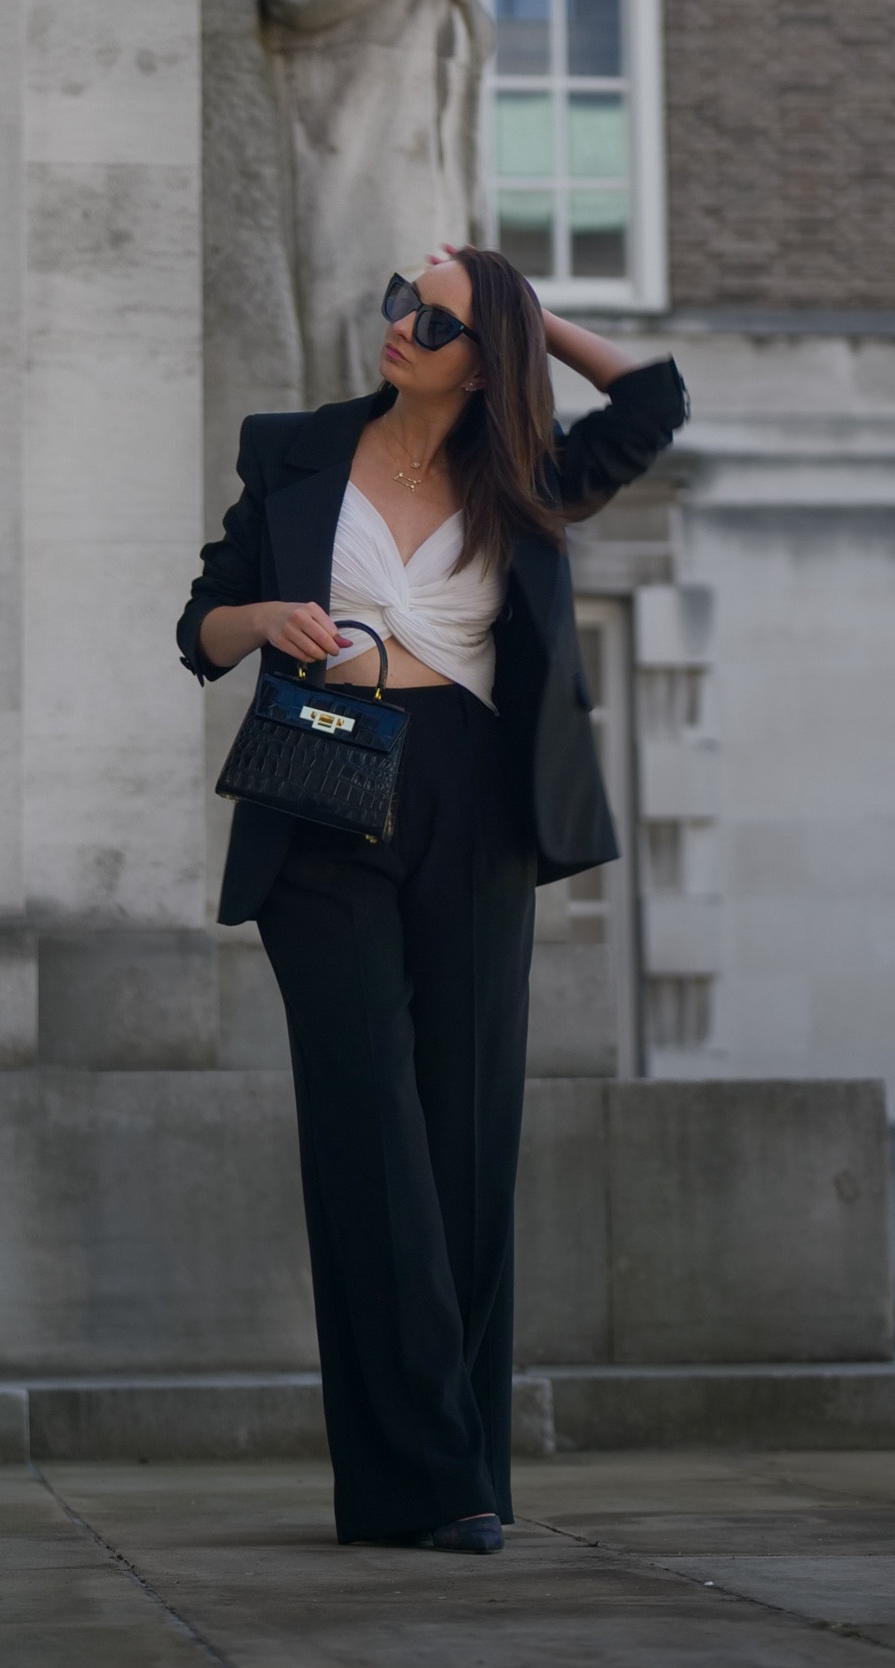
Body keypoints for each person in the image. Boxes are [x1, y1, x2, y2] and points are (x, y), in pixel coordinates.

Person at [176, 246, 688, 1552]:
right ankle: (439, 1473)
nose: (401, 323)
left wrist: (529, 317)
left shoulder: (528, 470)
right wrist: (267, 618)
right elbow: (198, 623)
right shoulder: (292, 449)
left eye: (438, 315)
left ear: (486, 349)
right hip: (319, 788)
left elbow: (654, 400)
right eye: (399, 297)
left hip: (474, 800)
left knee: (464, 1141)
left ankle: (446, 1482)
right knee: (370, 1133)